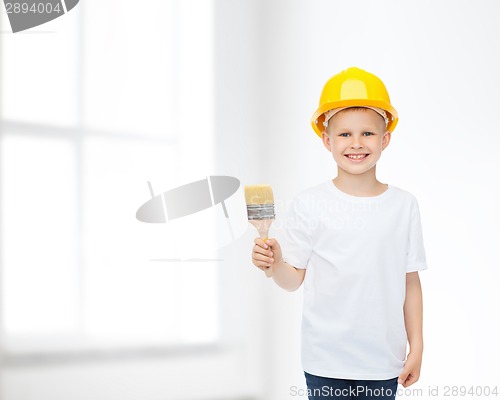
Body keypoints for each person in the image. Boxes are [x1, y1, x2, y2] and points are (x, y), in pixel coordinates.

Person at [251, 67, 427, 400]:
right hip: (325, 361)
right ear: (326, 140)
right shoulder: (309, 203)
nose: (356, 144)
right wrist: (273, 265)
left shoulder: (404, 206)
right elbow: (293, 280)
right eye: (344, 134)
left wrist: (416, 345)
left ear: (385, 138)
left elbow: (410, 281)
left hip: (382, 361)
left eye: (368, 134)